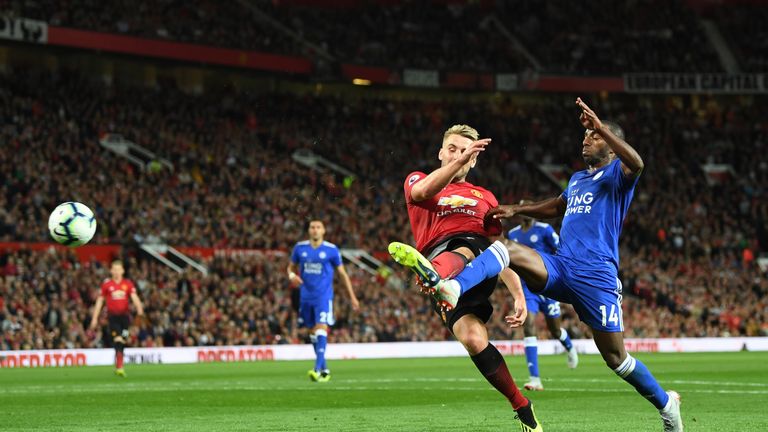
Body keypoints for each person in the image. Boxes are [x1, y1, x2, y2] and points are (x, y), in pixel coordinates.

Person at [399, 99, 684, 431]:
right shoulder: (578, 179)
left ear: (609, 143)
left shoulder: (619, 176)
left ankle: (667, 406)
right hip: (563, 266)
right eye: (587, 136)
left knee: (616, 359)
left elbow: (637, 163)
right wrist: (517, 210)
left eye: (592, 137)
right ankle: (453, 286)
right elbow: (554, 207)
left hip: (596, 275)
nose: (586, 140)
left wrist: (601, 126)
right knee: (508, 249)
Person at [388, 124, 542, 432]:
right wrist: (459, 162)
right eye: (454, 149)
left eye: (466, 152)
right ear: (441, 153)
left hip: (475, 262)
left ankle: (439, 278)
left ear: (474, 161)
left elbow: (502, 250)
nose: (459, 155)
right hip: (438, 256)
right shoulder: (418, 179)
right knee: (473, 339)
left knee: (472, 242)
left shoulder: (484, 196)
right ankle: (522, 406)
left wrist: (518, 294)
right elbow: (421, 193)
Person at [506, 202, 578, 391]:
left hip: (549, 285)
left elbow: (560, 249)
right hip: (527, 288)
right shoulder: (513, 235)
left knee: (555, 330)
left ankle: (569, 347)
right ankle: (535, 378)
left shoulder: (544, 229)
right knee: (528, 326)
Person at [288, 220, 360, 383]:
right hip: (305, 297)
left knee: (321, 328)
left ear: (324, 231)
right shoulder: (300, 248)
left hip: (323, 297)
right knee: (312, 333)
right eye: (312, 227)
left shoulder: (331, 250)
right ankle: (325, 370)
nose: (315, 230)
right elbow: (290, 267)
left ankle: (316, 369)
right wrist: (292, 276)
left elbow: (342, 274)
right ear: (308, 230)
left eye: (318, 227)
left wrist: (352, 296)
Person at [89, 260, 144, 377]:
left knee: (123, 341)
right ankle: (120, 366)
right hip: (112, 318)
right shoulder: (107, 285)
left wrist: (140, 311)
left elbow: (135, 298)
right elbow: (99, 301)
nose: (117, 272)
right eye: (114, 269)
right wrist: (94, 318)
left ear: (123, 271)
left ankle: (119, 365)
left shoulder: (127, 284)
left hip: (125, 318)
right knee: (118, 339)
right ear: (111, 271)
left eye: (119, 269)